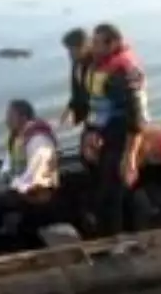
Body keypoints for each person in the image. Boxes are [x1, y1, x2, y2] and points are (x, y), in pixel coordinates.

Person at [83, 23, 149, 237]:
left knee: (112, 194)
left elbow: (135, 118)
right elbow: (97, 106)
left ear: (112, 44)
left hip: (123, 137)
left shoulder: (124, 72)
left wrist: (129, 156)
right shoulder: (100, 67)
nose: (92, 47)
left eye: (96, 43)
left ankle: (118, 242)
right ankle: (113, 233)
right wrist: (91, 135)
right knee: (103, 188)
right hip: (106, 134)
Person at [0, 99, 61, 245]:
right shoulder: (17, 136)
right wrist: (2, 178)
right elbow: (9, 161)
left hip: (38, 194)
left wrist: (10, 186)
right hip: (20, 184)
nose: (6, 121)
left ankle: (2, 238)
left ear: (23, 118)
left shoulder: (38, 140)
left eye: (10, 117)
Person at [58, 27, 95, 128]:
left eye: (72, 49)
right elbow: (77, 90)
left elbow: (96, 98)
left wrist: (92, 126)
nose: (69, 54)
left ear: (84, 46)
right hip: (85, 115)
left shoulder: (95, 66)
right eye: (69, 49)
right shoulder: (77, 62)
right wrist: (68, 109)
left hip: (96, 118)